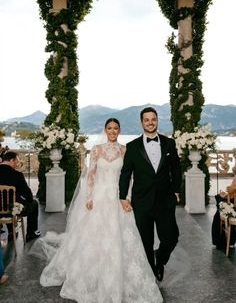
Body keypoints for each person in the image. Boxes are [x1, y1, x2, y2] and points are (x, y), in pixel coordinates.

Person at [37, 118, 163, 303]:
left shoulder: (124, 150)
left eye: (116, 128)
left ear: (119, 131)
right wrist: (89, 196)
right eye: (109, 128)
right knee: (94, 236)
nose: (112, 131)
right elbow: (91, 174)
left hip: (118, 198)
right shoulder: (96, 149)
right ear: (105, 130)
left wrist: (127, 197)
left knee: (120, 235)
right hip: (99, 196)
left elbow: (129, 176)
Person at [119, 106, 181, 282]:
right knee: (145, 242)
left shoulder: (169, 143)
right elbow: (126, 173)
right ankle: (152, 274)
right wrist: (122, 197)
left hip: (165, 200)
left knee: (171, 238)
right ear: (141, 122)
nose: (150, 122)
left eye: (153, 119)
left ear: (157, 120)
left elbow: (176, 168)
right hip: (142, 201)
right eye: (146, 119)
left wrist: (176, 189)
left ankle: (160, 259)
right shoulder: (132, 146)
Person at [0, 151, 41, 242]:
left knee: (6, 204)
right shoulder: (17, 175)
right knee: (34, 203)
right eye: (16, 161)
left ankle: (11, 232)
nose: (17, 164)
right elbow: (29, 196)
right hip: (11, 209)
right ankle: (31, 233)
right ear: (11, 160)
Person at [211, 175, 236, 249]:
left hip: (233, 206)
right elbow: (231, 193)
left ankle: (223, 241)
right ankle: (227, 240)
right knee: (220, 202)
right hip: (232, 201)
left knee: (220, 207)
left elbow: (231, 192)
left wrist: (232, 189)